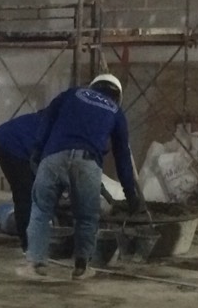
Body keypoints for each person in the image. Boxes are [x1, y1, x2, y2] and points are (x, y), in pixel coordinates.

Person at [24, 73, 143, 278]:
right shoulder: (116, 111)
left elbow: (47, 120)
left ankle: (35, 264)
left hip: (53, 157)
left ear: (93, 86)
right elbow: (122, 155)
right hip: (87, 163)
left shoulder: (72, 94)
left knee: (41, 210)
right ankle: (81, 268)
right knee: (86, 217)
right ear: (117, 96)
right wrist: (130, 194)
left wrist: (37, 150)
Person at [0, 112, 42, 249]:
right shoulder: (62, 128)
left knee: (28, 192)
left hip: (8, 138)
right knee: (25, 194)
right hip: (11, 144)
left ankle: (29, 237)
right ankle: (28, 244)